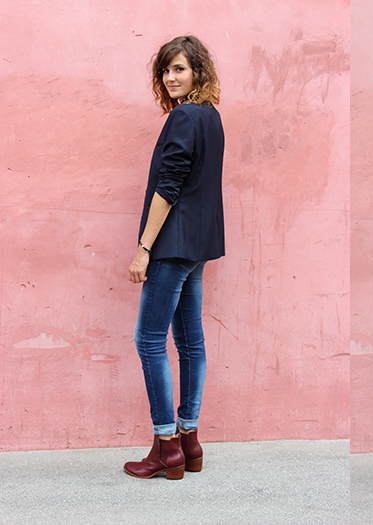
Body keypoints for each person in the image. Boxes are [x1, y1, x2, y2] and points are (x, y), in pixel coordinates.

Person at [124, 35, 225, 480]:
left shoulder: (183, 116)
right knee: (189, 341)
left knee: (149, 340)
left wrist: (144, 248)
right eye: (165, 70)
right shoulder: (210, 115)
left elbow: (169, 187)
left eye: (179, 68)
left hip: (172, 245)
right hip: (197, 246)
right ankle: (189, 440)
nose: (170, 77)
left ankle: (166, 445)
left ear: (198, 71)